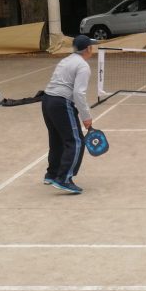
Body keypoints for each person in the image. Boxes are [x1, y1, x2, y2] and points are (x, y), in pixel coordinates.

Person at [42, 34, 96, 194]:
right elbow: (79, 94)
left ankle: (51, 174)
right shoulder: (83, 66)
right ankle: (64, 179)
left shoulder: (65, 60)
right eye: (91, 46)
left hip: (47, 101)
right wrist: (86, 117)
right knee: (76, 141)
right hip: (61, 103)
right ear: (87, 49)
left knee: (57, 139)